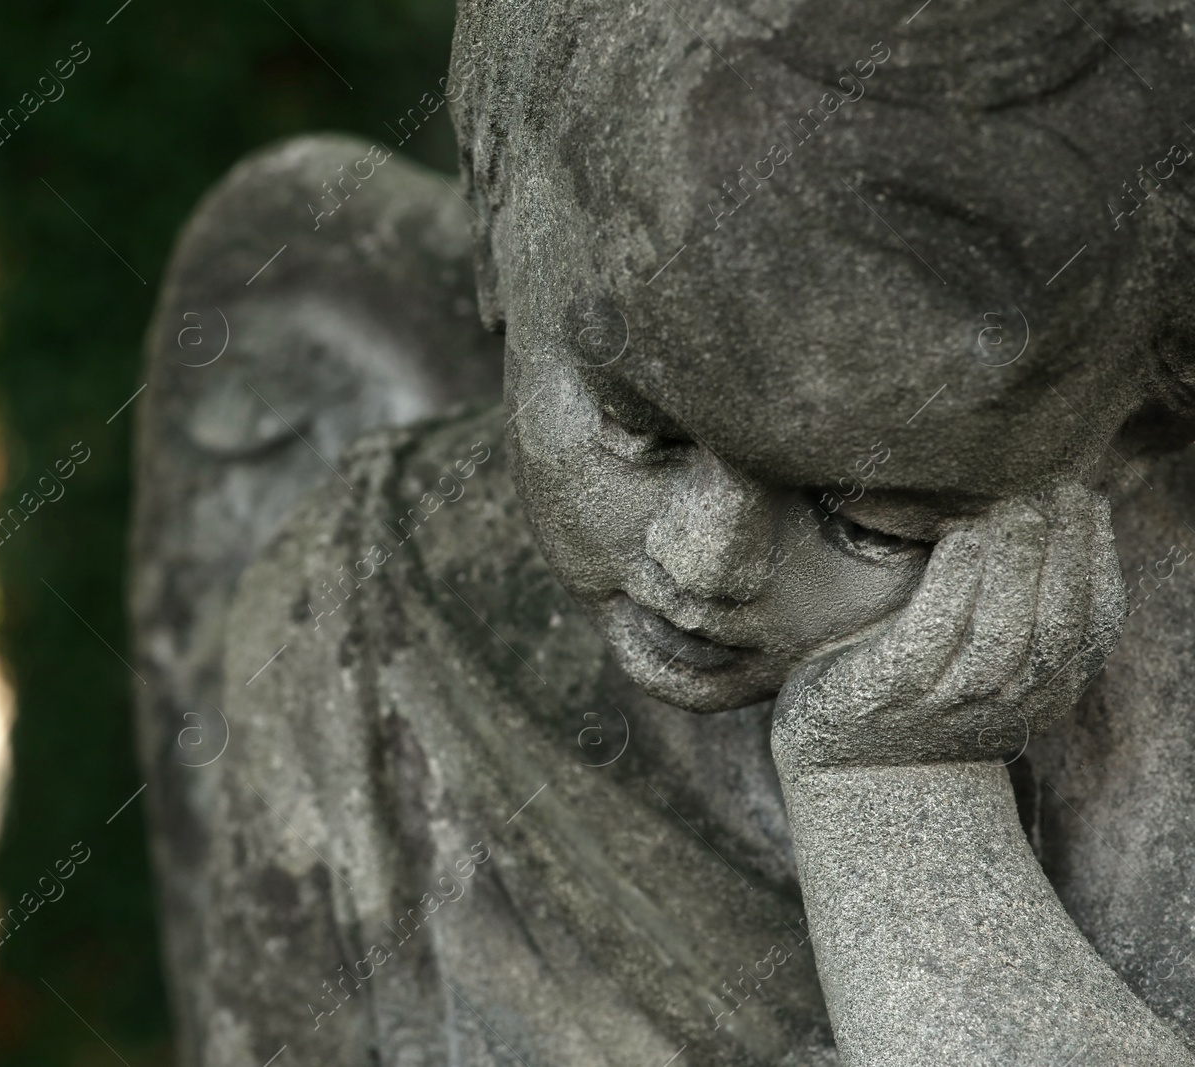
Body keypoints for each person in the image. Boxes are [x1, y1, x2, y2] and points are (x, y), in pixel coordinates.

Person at [136, 0, 1195, 1061]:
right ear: (501, 230)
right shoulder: (364, 618)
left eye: (868, 519)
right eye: (637, 428)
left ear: (1124, 434)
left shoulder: (1161, 713)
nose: (703, 561)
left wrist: (896, 801)